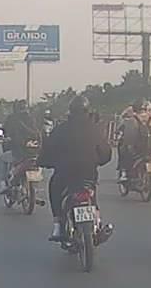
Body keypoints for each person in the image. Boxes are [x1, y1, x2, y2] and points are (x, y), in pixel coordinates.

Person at [38, 95, 112, 240]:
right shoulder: (95, 129)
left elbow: (46, 152)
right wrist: (97, 161)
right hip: (88, 173)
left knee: (54, 188)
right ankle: (97, 221)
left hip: (65, 174)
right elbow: (106, 153)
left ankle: (58, 224)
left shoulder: (60, 130)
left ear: (70, 111)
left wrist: (44, 162)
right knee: (92, 193)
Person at [0, 100, 41, 193]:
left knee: (2, 158)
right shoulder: (32, 119)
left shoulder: (12, 119)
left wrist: (6, 137)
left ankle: (3, 184)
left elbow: (3, 131)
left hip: (19, 153)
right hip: (35, 154)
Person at [116, 99, 151, 182]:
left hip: (141, 145)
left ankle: (124, 172)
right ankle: (125, 171)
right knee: (124, 149)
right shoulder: (148, 117)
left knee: (123, 150)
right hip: (143, 145)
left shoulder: (149, 118)